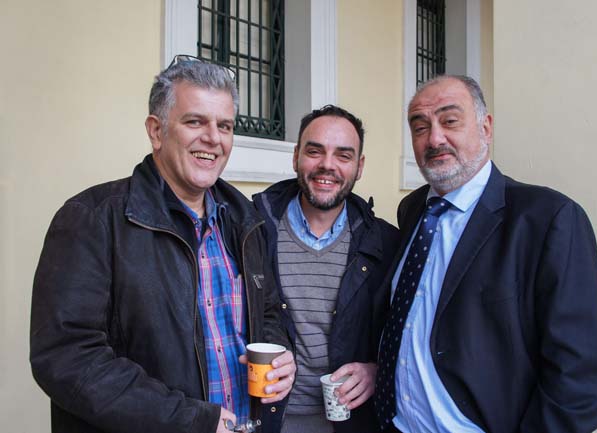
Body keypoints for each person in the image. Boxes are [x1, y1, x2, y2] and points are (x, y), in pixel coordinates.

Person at [30, 56, 296, 433]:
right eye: (195, 122)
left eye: (224, 125)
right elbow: (67, 358)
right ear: (156, 131)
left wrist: (280, 354)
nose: (214, 138)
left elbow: (267, 313)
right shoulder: (92, 219)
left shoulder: (246, 220)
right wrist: (192, 421)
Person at [374, 75, 597, 433]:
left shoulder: (548, 219)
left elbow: (579, 381)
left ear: (485, 127)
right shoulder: (413, 210)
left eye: (450, 120)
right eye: (420, 127)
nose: (434, 138)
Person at [252, 105, 399, 433]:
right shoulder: (252, 230)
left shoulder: (385, 244)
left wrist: (377, 369)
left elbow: (402, 334)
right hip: (266, 421)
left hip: (349, 424)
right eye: (315, 151)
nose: (327, 165)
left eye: (343, 155)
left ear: (359, 167)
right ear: (296, 157)